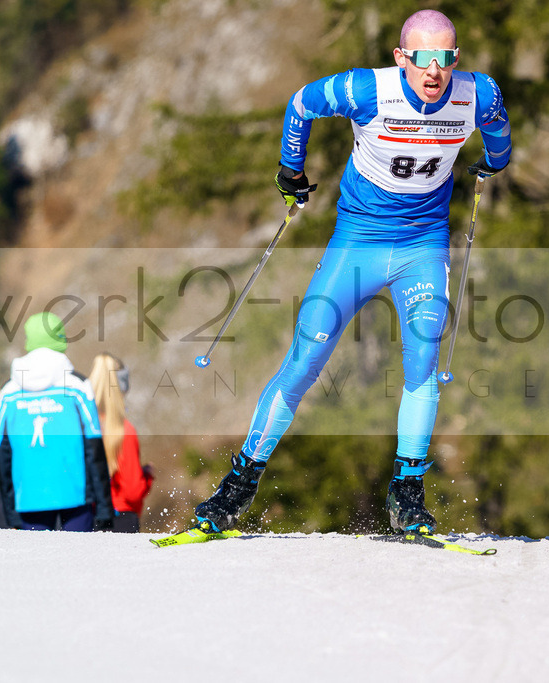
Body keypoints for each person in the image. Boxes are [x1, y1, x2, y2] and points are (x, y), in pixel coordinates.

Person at [192, 9, 511, 535]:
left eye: (447, 58)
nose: (436, 71)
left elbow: (499, 133)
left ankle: (407, 494)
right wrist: (290, 171)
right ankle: (238, 485)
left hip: (423, 247)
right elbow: (300, 105)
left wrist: (494, 162)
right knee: (306, 357)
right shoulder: (366, 90)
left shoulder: (478, 93)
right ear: (401, 58)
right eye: (424, 58)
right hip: (357, 243)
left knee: (425, 357)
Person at [0, 311, 114, 531]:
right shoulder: (78, 386)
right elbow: (94, 447)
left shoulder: (8, 392)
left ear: (29, 341)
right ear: (61, 339)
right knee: (80, 563)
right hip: (77, 496)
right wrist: (105, 506)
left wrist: (11, 513)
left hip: (29, 499)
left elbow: (2, 453)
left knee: (35, 564)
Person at [89, 353, 154, 533]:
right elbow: (132, 491)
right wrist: (146, 477)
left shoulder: (81, 424)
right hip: (122, 518)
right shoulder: (124, 430)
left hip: (85, 516)